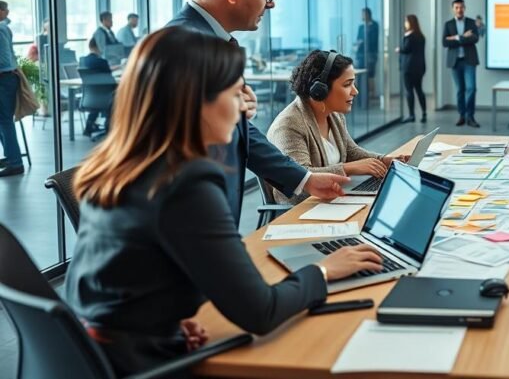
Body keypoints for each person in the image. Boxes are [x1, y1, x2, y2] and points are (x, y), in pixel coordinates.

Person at [66, 28, 383, 377]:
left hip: (99, 354)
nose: (245, 109)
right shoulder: (186, 183)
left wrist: (162, 321)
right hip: (140, 365)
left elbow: (103, 284)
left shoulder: (119, 166)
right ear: (195, 101)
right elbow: (261, 312)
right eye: (235, 94)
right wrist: (325, 269)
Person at [166, 0, 346, 225]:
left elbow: (239, 134)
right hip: (186, 228)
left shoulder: (210, 42)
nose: (271, 4)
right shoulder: (184, 47)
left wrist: (304, 179)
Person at [268, 51, 408, 204]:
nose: (355, 91)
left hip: (331, 200)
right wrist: (349, 168)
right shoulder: (289, 125)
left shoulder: (334, 114)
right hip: (302, 209)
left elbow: (350, 151)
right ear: (320, 90)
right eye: (347, 84)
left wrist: (384, 160)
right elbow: (300, 176)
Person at [442, 0, 480, 127]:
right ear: (453, 9)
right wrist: (463, 37)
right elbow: (444, 42)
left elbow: (475, 39)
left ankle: (470, 116)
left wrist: (456, 38)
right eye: (457, 7)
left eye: (461, 7)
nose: (459, 10)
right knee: (460, 90)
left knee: (471, 88)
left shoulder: (471, 22)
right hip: (455, 62)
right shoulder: (448, 24)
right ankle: (462, 116)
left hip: (469, 60)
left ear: (465, 8)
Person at [0, 1, 23, 177]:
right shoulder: (4, 28)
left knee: (5, 120)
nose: (8, 12)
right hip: (7, 77)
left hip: (4, 78)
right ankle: (11, 157)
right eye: (5, 9)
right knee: (3, 120)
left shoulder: (1, 29)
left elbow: (4, 60)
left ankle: (15, 162)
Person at [79, 38, 114, 137]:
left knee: (97, 93)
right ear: (97, 47)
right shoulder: (102, 62)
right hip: (106, 99)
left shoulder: (83, 61)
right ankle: (110, 128)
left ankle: (89, 127)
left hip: (89, 99)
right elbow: (110, 79)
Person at [395, 14, 427, 123]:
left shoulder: (409, 36)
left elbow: (406, 49)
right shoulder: (421, 36)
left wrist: (399, 49)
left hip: (408, 68)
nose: (405, 23)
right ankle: (424, 113)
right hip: (419, 68)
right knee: (419, 90)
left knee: (409, 91)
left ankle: (412, 115)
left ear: (411, 22)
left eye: (406, 21)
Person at [354, 8, 379, 100]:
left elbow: (373, 40)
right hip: (361, 54)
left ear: (368, 14)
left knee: (370, 76)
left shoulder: (374, 25)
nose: (362, 16)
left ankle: (370, 96)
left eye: (363, 14)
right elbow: (358, 39)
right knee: (360, 76)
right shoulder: (361, 27)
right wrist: (358, 43)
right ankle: (362, 97)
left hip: (370, 54)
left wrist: (363, 42)